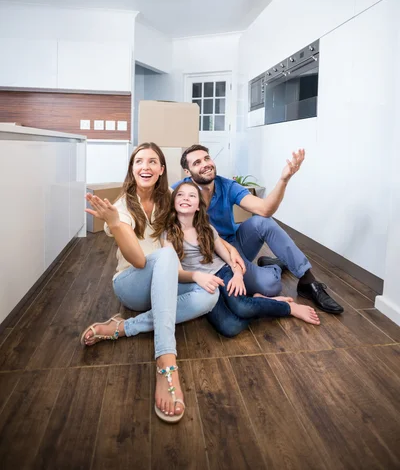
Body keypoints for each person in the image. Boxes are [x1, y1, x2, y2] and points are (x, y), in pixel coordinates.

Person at [81, 142, 219, 424]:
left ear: (162, 170)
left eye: (152, 161)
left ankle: (124, 327)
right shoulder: (119, 208)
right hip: (131, 284)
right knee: (166, 255)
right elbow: (140, 261)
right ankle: (166, 362)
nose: (146, 166)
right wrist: (116, 224)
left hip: (164, 279)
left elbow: (176, 256)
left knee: (210, 294)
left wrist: (196, 275)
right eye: (139, 162)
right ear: (132, 170)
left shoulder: (169, 198)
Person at [172, 145, 344, 314]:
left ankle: (308, 281)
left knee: (263, 221)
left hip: (235, 245)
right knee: (270, 286)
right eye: (197, 163)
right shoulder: (179, 193)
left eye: (207, 158)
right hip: (212, 255)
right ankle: (274, 266)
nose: (205, 164)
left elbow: (264, 209)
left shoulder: (227, 186)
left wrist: (284, 179)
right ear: (187, 172)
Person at [161, 182, 320, 337]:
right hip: (202, 284)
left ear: (198, 206)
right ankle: (260, 301)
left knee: (242, 307)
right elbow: (176, 272)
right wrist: (198, 277)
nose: (185, 198)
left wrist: (237, 275)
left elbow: (228, 257)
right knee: (230, 327)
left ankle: (288, 308)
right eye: (180, 195)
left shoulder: (206, 228)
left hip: (222, 272)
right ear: (173, 202)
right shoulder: (167, 234)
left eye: (192, 195)